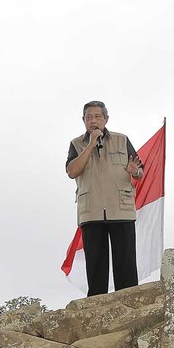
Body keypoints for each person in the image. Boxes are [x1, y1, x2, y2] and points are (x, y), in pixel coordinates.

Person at [66, 100, 143, 296]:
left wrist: (135, 172)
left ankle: (129, 308)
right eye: (88, 117)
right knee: (96, 270)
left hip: (121, 209)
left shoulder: (122, 140)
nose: (93, 121)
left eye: (97, 116)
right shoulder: (76, 144)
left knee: (125, 267)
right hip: (91, 213)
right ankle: (97, 314)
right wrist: (91, 145)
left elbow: (139, 170)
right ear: (83, 121)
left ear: (106, 119)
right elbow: (72, 171)